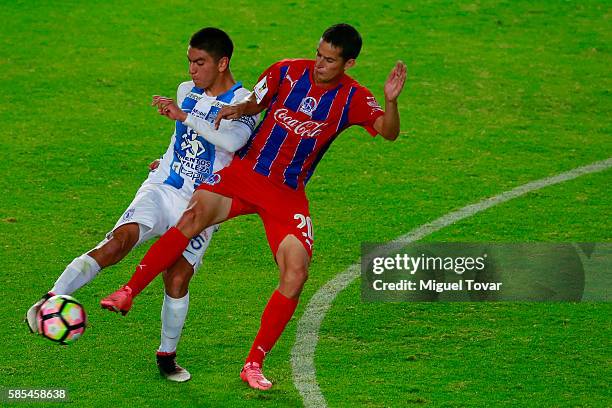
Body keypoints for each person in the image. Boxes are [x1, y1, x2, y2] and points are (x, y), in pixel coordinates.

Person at [101, 23, 407, 390]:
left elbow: (388, 132)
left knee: (296, 273)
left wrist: (391, 101)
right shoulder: (287, 70)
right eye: (318, 54)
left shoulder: (354, 98)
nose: (319, 64)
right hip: (245, 175)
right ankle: (129, 290)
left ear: (349, 63)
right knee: (193, 215)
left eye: (329, 60)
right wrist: (237, 110)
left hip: (286, 193)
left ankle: (253, 363)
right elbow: (256, 101)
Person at [26, 27, 258, 382]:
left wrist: (185, 117)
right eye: (189, 62)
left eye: (200, 63)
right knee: (118, 242)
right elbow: (180, 139)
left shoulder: (245, 102)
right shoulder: (186, 91)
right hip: (162, 189)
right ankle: (50, 299)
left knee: (177, 278)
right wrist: (165, 159)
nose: (192, 71)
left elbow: (233, 140)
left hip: (202, 206)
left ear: (222, 63)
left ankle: (167, 356)